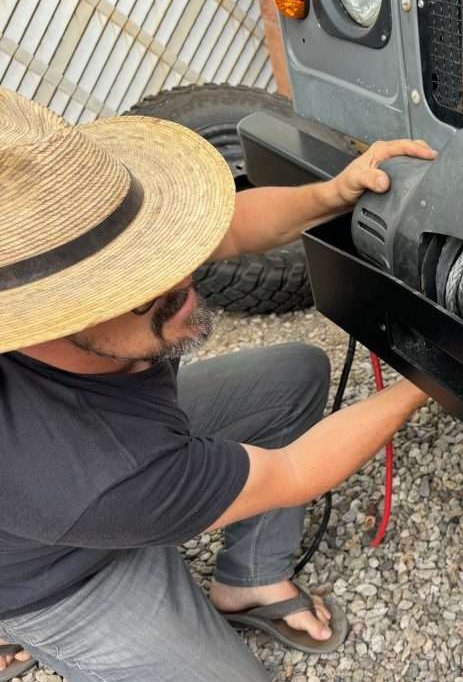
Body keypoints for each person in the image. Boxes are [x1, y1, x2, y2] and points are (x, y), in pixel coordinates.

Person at [0, 88, 436, 681]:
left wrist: (334, 193)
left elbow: (228, 228)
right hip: (60, 581)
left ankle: (251, 579)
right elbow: (295, 472)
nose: (191, 283)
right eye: (161, 292)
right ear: (46, 319)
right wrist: (436, 376)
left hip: (126, 477)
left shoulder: (79, 277)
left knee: (295, 375)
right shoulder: (92, 473)